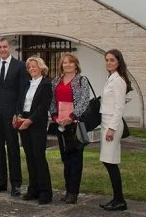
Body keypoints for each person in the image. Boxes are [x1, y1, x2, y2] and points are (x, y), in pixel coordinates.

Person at [0, 37, 28, 196]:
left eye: (4, 47)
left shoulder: (20, 66)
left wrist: (18, 113)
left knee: (13, 149)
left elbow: (22, 91)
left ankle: (16, 184)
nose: (2, 49)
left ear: (10, 48)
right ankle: (1, 182)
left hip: (11, 115)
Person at [50, 53, 90, 204]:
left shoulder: (81, 80)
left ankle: (74, 193)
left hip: (75, 124)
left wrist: (72, 117)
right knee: (65, 159)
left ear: (76, 64)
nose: (67, 65)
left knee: (76, 160)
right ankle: (67, 190)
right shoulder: (56, 81)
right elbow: (52, 101)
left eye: (70, 62)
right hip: (60, 124)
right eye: (64, 63)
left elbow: (84, 100)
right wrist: (55, 117)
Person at [99, 49, 133, 212]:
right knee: (108, 161)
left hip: (112, 124)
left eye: (112, 60)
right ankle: (117, 198)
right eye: (107, 60)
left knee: (110, 162)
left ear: (119, 61)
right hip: (106, 122)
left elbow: (119, 107)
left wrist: (112, 128)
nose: (109, 63)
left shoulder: (118, 80)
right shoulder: (110, 78)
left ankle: (120, 200)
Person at [17, 57, 53, 204]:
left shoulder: (46, 84)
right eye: (30, 67)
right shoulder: (26, 84)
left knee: (39, 157)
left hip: (36, 122)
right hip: (23, 120)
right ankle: (33, 189)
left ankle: (45, 192)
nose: (32, 69)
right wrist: (18, 115)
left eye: (34, 66)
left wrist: (29, 121)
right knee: (29, 157)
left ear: (41, 67)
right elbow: (20, 102)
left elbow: (43, 106)